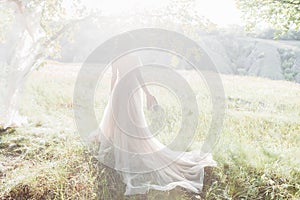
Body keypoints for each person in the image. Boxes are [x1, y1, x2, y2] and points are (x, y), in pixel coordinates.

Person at [88, 53, 217, 195]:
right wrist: (147, 93)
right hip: (132, 88)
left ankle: (124, 143)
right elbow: (138, 75)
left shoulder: (117, 55)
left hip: (120, 89)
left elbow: (114, 76)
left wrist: (111, 94)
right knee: (132, 120)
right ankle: (129, 144)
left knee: (121, 118)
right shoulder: (133, 55)